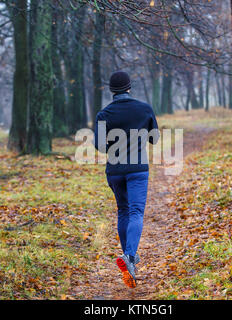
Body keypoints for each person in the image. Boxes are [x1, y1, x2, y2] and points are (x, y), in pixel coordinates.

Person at [94, 71, 159, 288]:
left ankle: (128, 257)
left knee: (123, 211)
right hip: (138, 169)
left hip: (115, 171)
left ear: (112, 90)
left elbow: (100, 146)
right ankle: (129, 256)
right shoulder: (144, 108)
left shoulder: (104, 114)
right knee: (136, 212)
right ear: (129, 87)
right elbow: (155, 139)